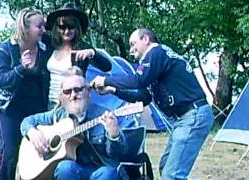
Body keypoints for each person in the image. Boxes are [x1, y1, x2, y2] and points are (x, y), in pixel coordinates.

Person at [91, 28, 214, 179]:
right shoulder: (156, 63)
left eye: (133, 43)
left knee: (172, 174)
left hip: (192, 115)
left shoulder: (156, 52)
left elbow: (137, 80)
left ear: (146, 39)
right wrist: (113, 90)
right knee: (165, 167)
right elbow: (144, 98)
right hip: (184, 118)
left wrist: (105, 79)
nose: (130, 50)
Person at [20, 67, 146, 179]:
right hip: (73, 170)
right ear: (62, 96)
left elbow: (118, 154)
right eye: (67, 92)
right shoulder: (57, 115)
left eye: (78, 90)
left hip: (98, 169)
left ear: (88, 92)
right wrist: (32, 132)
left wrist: (114, 135)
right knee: (65, 168)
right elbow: (27, 122)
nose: (73, 95)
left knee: (108, 174)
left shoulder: (103, 115)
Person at [0, 8, 51, 180]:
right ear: (25, 28)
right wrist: (20, 68)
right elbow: (1, 79)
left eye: (44, 26)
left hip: (36, 110)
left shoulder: (44, 48)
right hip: (10, 109)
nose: (43, 30)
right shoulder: (5, 49)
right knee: (10, 154)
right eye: (39, 26)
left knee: (37, 153)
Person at [44, 2, 112, 109]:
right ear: (56, 28)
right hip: (51, 104)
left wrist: (92, 54)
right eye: (62, 26)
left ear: (77, 28)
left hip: (72, 103)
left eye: (71, 27)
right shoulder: (51, 45)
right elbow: (34, 29)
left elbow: (107, 66)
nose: (66, 31)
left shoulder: (82, 47)